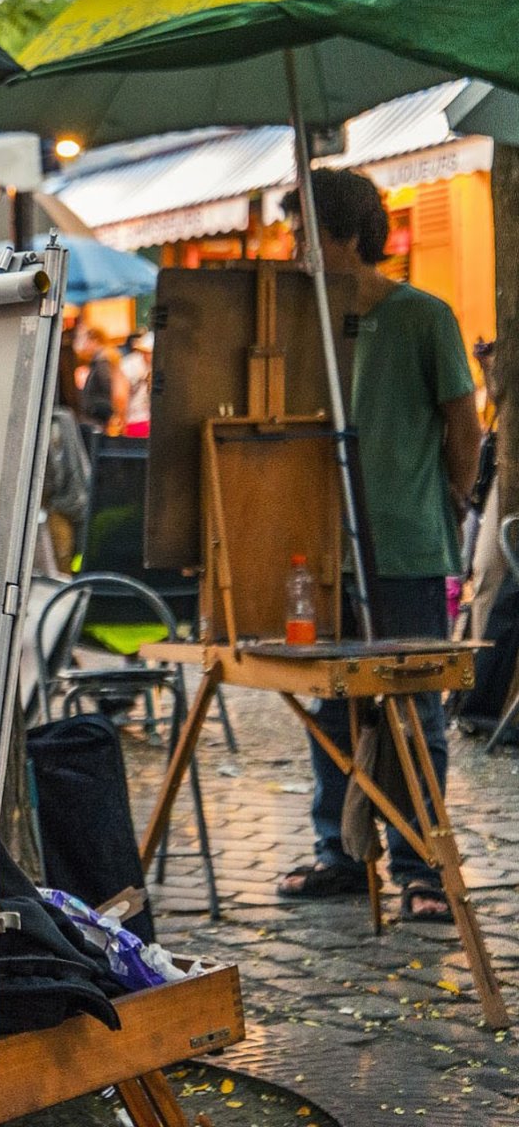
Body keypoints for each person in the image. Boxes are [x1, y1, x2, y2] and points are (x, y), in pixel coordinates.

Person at [275, 169, 481, 923]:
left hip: (407, 548)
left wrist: (445, 499)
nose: (296, 249)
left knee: (414, 709)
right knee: (333, 705)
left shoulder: (424, 316)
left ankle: (420, 865)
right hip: (322, 548)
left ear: (348, 234)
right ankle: (339, 851)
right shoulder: (304, 323)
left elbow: (464, 429)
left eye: (305, 232)